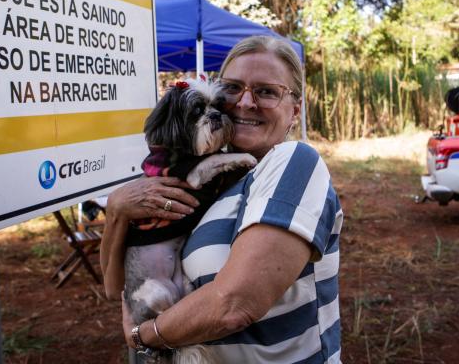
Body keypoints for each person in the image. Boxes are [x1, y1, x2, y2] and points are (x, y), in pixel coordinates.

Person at [100, 35, 343, 363]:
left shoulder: (295, 162)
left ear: (295, 109)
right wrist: (116, 212)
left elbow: (234, 305)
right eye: (233, 88)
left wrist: (143, 336)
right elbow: (113, 288)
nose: (245, 102)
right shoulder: (209, 183)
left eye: (266, 91)